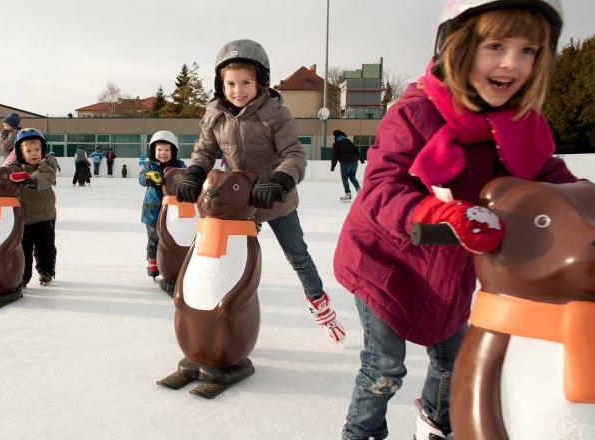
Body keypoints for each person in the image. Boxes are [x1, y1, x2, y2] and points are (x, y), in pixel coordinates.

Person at [332, 1, 578, 439]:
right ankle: (361, 433)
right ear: (456, 46)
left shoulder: (520, 126)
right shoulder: (414, 112)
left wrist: (585, 205)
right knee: (385, 365)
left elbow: (552, 179)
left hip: (447, 270)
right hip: (383, 263)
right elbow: (381, 189)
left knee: (454, 359)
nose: (511, 63)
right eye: (496, 45)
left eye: (528, 50)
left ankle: (436, 423)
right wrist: (438, 212)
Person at [174, 39, 346, 346]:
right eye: (230, 83)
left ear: (260, 82)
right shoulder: (215, 114)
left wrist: (279, 181)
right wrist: (194, 174)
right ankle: (219, 314)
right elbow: (203, 152)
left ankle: (320, 304)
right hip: (239, 201)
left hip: (276, 198)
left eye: (246, 83)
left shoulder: (275, 113)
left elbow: (294, 155)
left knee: (297, 256)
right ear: (220, 84)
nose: (238, 90)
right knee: (224, 256)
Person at [7, 128, 58, 287]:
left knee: (45, 247)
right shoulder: (13, 168)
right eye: (29, 150)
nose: (34, 153)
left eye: (37, 149)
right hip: (22, 218)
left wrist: (30, 180)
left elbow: (47, 177)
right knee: (23, 250)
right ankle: (22, 277)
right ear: (20, 153)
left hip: (44, 216)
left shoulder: (46, 164)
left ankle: (46, 271)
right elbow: (0, 178)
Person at [139, 130, 186, 279]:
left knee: (172, 237)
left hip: (173, 209)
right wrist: (149, 176)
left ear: (174, 151)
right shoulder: (150, 165)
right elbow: (141, 178)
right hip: (152, 209)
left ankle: (173, 261)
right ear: (154, 151)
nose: (163, 153)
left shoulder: (179, 165)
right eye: (159, 150)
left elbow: (186, 175)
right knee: (154, 237)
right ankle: (152, 262)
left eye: (167, 150)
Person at [330, 129, 364, 202]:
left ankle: (348, 194)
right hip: (354, 161)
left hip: (345, 162)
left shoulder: (336, 144)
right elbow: (356, 149)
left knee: (345, 178)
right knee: (352, 177)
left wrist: (333, 166)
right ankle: (359, 190)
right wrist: (361, 159)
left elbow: (334, 156)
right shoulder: (347, 141)